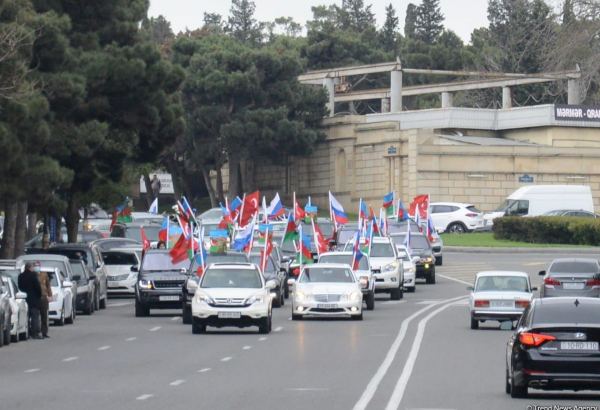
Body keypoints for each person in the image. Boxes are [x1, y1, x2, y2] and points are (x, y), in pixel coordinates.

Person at [18, 262, 43, 339]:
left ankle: (27, 333)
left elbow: (20, 286)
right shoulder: (33, 275)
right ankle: (34, 333)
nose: (33, 268)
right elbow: (38, 287)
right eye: (32, 267)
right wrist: (39, 295)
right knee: (35, 317)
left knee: (26, 317)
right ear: (29, 268)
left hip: (24, 298)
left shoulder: (21, 276)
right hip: (34, 299)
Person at [38, 266, 53, 338]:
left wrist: (50, 295)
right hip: (36, 297)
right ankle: (36, 332)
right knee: (36, 316)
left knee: (44, 316)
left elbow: (48, 285)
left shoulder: (44, 274)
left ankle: (44, 332)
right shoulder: (32, 275)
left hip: (44, 297)